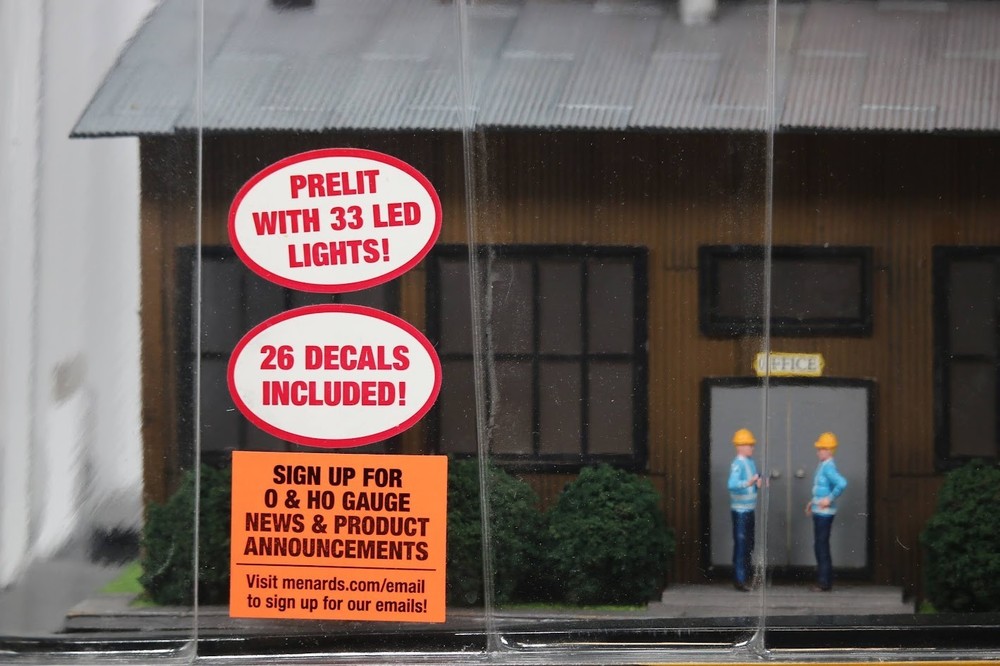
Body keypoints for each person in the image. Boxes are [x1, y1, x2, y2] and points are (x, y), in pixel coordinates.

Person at [804, 431, 848, 592]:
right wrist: (813, 502)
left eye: (821, 449)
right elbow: (820, 490)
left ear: (829, 450)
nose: (818, 452)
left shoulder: (828, 467)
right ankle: (824, 580)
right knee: (820, 545)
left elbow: (842, 483)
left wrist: (829, 499)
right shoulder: (823, 465)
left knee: (821, 546)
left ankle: (824, 582)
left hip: (824, 513)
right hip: (820, 510)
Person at [727, 428, 761, 591]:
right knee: (741, 544)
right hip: (740, 510)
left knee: (749, 543)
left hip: (749, 508)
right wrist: (748, 483)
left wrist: (757, 483)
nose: (752, 448)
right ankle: (740, 579)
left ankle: (746, 576)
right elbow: (732, 485)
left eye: (752, 445)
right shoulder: (738, 464)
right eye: (749, 445)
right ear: (739, 447)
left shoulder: (750, 462)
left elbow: (753, 481)